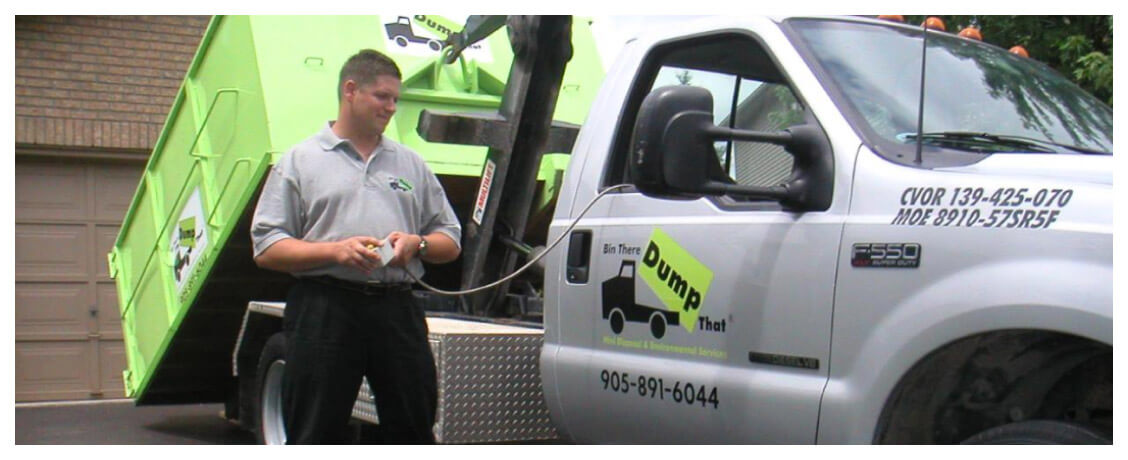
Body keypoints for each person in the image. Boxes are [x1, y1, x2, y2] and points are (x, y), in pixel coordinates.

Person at [250, 49, 461, 444]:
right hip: (325, 309)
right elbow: (267, 247)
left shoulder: (411, 164)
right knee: (315, 431)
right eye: (383, 96)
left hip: (396, 308)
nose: (391, 107)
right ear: (351, 90)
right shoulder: (300, 162)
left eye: (396, 99)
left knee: (413, 428)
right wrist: (335, 251)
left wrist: (418, 244)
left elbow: (450, 240)